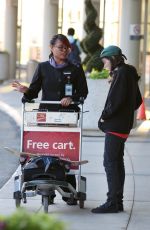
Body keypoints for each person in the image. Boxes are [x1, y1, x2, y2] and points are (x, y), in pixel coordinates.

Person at [12, 33, 88, 205]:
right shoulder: (43, 67)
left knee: (66, 153)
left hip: (67, 117)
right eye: (60, 47)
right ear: (51, 48)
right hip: (46, 116)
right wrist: (26, 91)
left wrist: (72, 99)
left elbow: (83, 92)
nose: (64, 51)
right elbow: (33, 91)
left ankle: (69, 192)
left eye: (67, 48)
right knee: (48, 152)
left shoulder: (75, 67)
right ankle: (49, 192)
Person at [91, 45, 142, 213]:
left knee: (110, 163)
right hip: (123, 125)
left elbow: (115, 102)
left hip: (115, 125)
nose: (104, 65)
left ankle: (113, 202)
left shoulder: (121, 73)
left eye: (105, 61)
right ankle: (117, 201)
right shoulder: (127, 73)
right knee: (116, 163)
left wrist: (104, 117)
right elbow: (137, 101)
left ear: (113, 59)